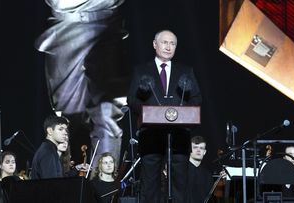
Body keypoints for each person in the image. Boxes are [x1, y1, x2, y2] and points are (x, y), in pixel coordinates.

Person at [35, 0, 132, 169]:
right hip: (66, 27)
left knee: (107, 112)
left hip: (105, 26)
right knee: (68, 115)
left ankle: (104, 185)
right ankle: (65, 176)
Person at [127, 30, 202, 203]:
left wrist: (181, 114)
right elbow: (132, 98)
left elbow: (197, 98)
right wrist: (150, 112)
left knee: (179, 183)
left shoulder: (186, 71)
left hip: (179, 136)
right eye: (164, 42)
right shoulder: (141, 70)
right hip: (151, 135)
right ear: (155, 44)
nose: (168, 47)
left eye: (172, 43)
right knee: (150, 183)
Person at [31, 115, 69, 179]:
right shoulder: (48, 151)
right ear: (50, 131)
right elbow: (51, 183)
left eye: (65, 130)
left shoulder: (49, 149)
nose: (65, 133)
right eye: (60, 129)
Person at [187, 136, 213, 203]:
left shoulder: (208, 174)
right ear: (190, 150)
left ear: (204, 152)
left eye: (201, 148)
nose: (198, 150)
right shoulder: (181, 170)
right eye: (195, 147)